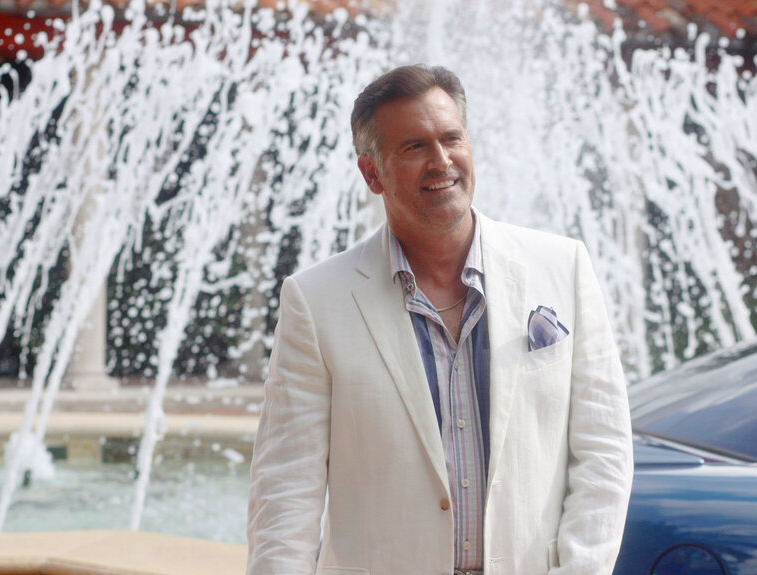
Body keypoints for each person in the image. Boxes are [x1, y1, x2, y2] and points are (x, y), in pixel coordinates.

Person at [247, 64, 633, 575]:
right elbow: (285, 490)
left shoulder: (563, 267)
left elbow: (604, 449)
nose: (441, 161)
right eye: (414, 147)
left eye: (452, 138)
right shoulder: (315, 301)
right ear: (371, 173)